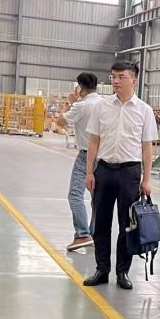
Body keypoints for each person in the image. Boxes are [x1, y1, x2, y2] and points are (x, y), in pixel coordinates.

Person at [83, 61, 157, 291]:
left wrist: (146, 179)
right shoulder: (101, 106)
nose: (115, 81)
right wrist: (89, 172)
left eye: (121, 77)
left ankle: (123, 271)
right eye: (113, 76)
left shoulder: (144, 110)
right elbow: (93, 141)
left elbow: (147, 148)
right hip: (104, 170)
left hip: (130, 172)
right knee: (101, 223)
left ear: (133, 80)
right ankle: (102, 269)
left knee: (127, 224)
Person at [59, 72, 103, 252]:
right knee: (97, 198)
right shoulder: (104, 103)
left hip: (86, 155)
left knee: (75, 195)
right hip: (104, 156)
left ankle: (82, 234)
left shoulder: (80, 105)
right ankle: (95, 234)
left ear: (79, 87)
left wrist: (69, 103)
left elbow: (60, 122)